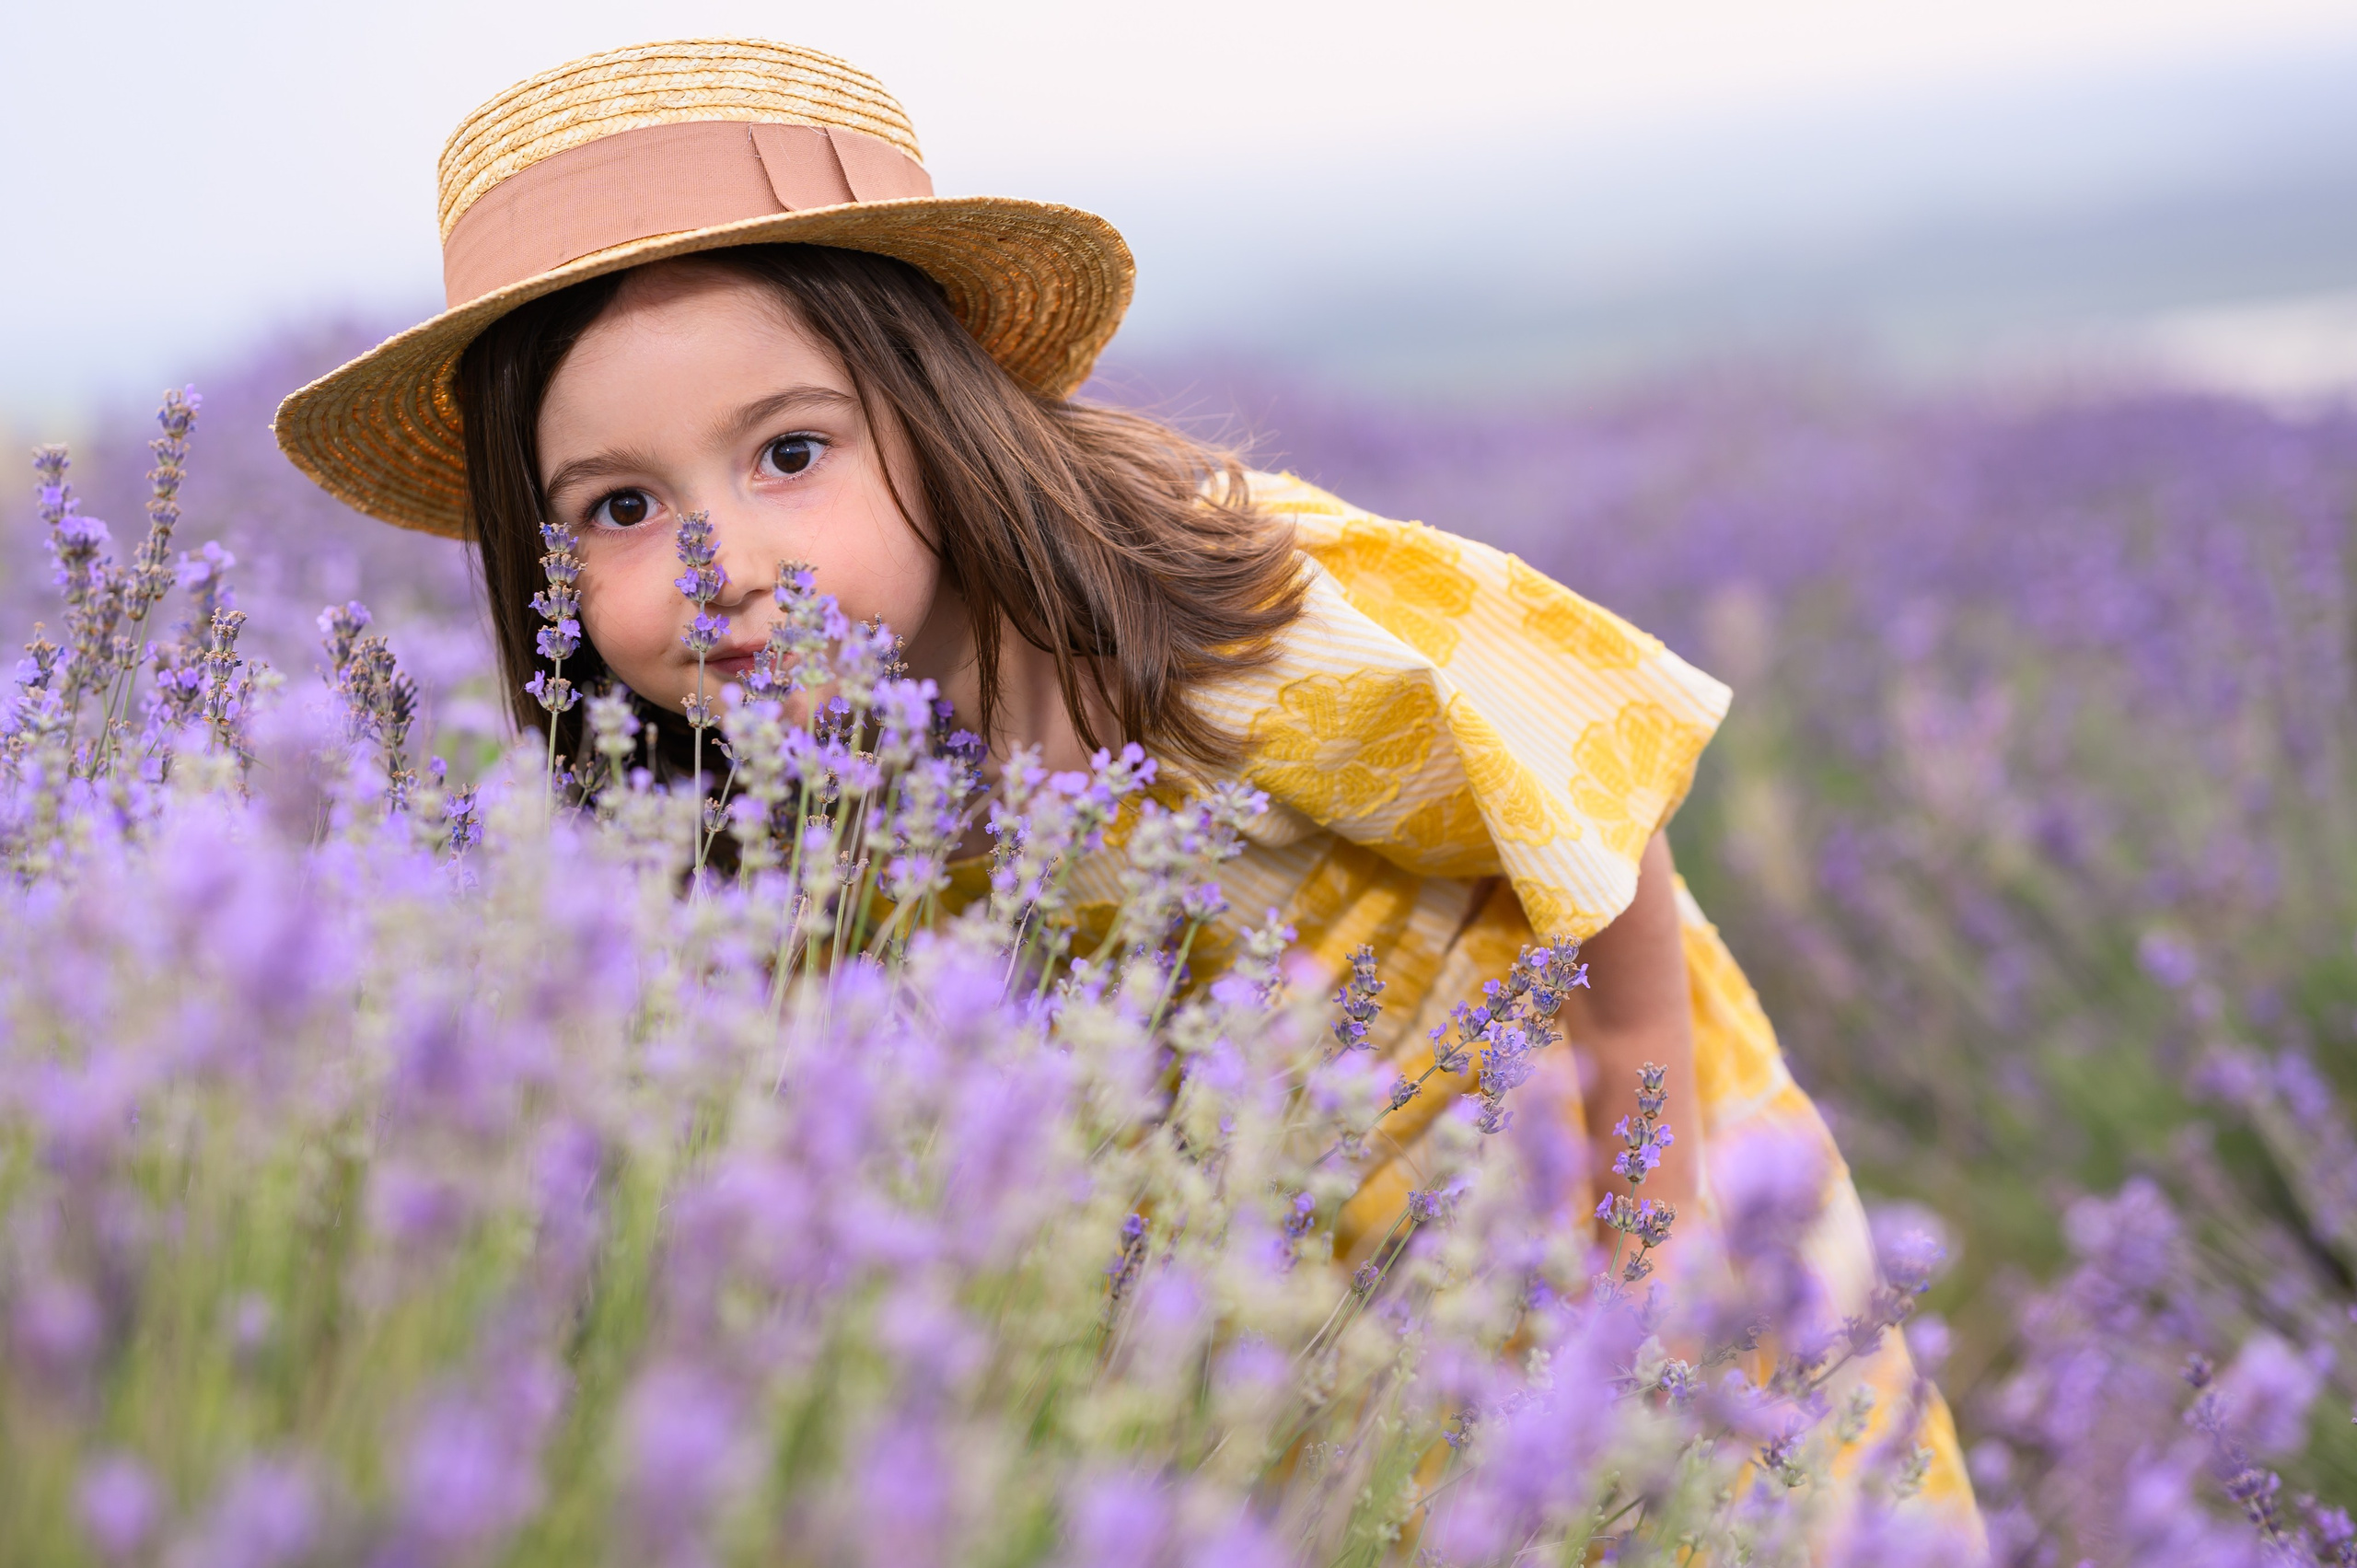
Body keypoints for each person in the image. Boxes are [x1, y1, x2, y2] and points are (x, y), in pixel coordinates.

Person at [276, 37, 1981, 1541]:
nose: (716, 562)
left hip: (1603, 1203)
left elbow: (1595, 815)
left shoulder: (1224, 642)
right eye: (619, 510)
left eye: (789, 454)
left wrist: (1659, 1218)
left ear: (940, 423)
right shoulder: (763, 810)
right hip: (1304, 1351)